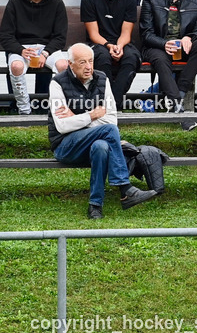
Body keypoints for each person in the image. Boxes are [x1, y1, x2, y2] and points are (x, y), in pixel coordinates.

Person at [49, 43, 158, 219]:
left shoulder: (102, 79)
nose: (88, 67)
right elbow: (62, 126)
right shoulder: (57, 83)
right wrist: (92, 115)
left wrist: (77, 117)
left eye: (91, 61)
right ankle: (125, 187)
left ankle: (95, 206)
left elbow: (111, 118)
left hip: (91, 144)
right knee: (106, 130)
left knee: (101, 146)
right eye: (82, 62)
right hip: (66, 146)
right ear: (70, 64)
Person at [0, 0, 69, 114]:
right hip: (23, 48)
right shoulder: (15, 2)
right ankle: (24, 111)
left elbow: (60, 37)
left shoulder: (56, 2)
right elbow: (6, 36)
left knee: (63, 65)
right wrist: (21, 50)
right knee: (16, 66)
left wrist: (46, 52)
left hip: (47, 48)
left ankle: (58, 109)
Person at [80, 0, 142, 110]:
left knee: (131, 57)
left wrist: (119, 46)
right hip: (99, 43)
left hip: (121, 42)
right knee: (102, 56)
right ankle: (110, 103)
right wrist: (109, 46)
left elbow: (126, 34)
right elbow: (94, 34)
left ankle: (111, 105)